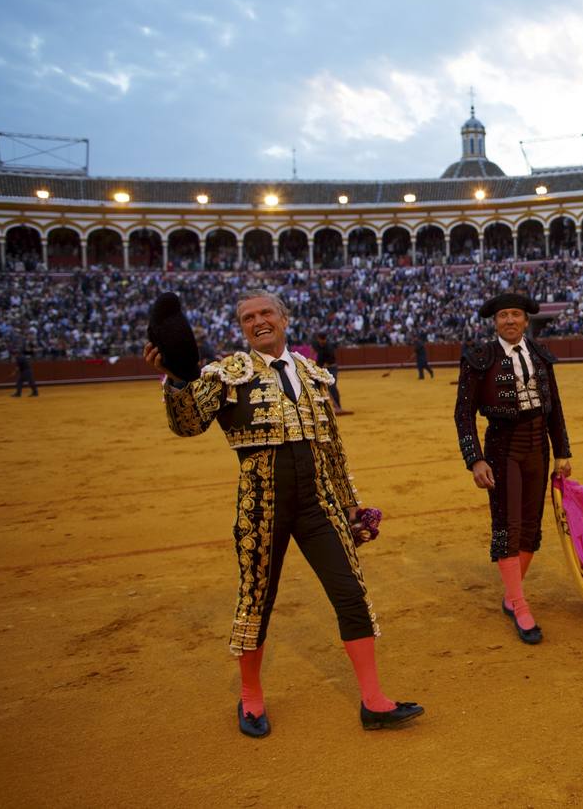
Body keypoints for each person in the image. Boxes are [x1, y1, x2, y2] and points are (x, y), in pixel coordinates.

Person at [144, 290, 422, 736]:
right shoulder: (226, 374)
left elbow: (333, 449)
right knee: (256, 600)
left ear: (284, 319)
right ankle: (250, 699)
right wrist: (175, 381)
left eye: (265, 313)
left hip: (319, 503)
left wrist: (350, 505)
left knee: (351, 594)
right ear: (242, 329)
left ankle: (374, 702)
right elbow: (188, 423)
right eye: (247, 318)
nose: (258, 321)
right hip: (261, 504)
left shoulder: (314, 375)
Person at [454, 292, 572, 645]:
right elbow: (463, 415)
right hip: (503, 448)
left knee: (532, 526)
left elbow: (555, 408)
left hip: (539, 446)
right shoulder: (480, 358)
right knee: (508, 524)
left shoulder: (539, 355)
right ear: (495, 321)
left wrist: (562, 452)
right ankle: (519, 603)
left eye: (515, 315)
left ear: (525, 320)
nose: (509, 320)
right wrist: (474, 459)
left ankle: (511, 594)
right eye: (503, 315)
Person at [312, 332, 351, 415]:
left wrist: (322, 367)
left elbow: (330, 360)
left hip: (331, 368)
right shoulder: (319, 345)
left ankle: (337, 406)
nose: (320, 341)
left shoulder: (329, 347)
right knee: (318, 386)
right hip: (323, 368)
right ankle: (322, 408)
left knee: (332, 386)